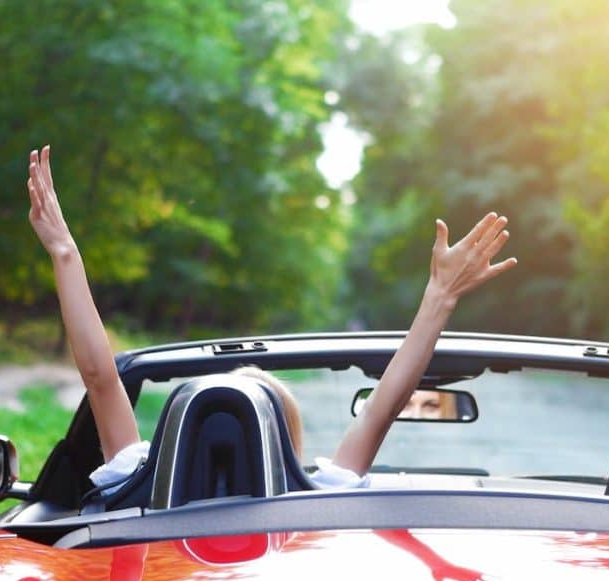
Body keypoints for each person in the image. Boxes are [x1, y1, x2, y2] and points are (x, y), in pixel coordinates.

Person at [26, 145, 517, 491]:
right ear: (286, 440)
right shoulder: (318, 496)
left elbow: (100, 379)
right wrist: (439, 297)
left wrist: (65, 252)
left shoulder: (137, 483)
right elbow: (381, 408)